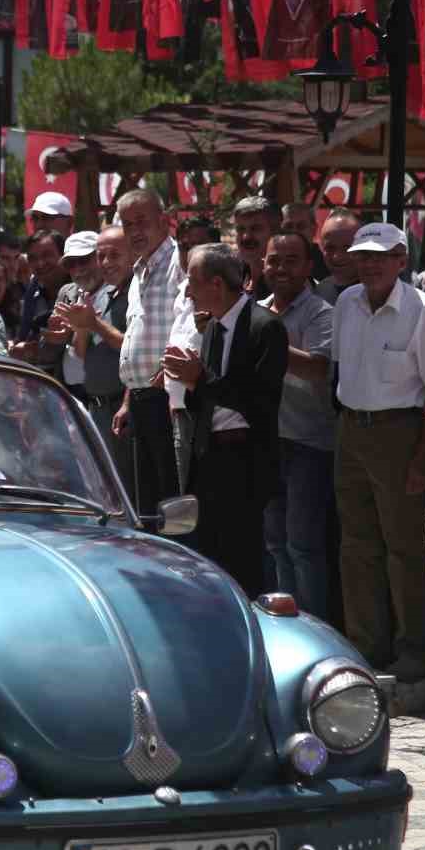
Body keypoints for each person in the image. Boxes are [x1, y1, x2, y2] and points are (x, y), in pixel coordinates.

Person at [331, 221, 425, 684]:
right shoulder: (346, 303)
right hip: (351, 428)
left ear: (402, 260)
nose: (370, 264)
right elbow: (341, 370)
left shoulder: (423, 310)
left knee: (403, 546)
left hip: (398, 431)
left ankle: (414, 648)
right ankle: (367, 644)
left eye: (380, 256)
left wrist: (424, 458)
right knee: (356, 544)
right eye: (363, 256)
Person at [163, 245, 288, 594]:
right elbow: (207, 393)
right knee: (210, 555)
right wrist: (187, 384)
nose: (188, 291)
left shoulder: (266, 328)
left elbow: (259, 400)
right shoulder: (213, 328)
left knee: (244, 558)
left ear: (216, 284)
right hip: (208, 457)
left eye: (192, 281)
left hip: (245, 462)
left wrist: (198, 378)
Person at [260, 231, 337, 620]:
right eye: (274, 260)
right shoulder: (256, 310)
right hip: (267, 444)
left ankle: (316, 629)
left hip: (308, 443)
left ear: (309, 267)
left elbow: (318, 368)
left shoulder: (321, 313)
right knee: (275, 544)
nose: (281, 268)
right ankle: (286, 627)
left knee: (303, 546)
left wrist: (267, 339)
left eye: (291, 260)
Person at [113, 189, 190, 515]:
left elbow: (192, 322)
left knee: (172, 502)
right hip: (142, 399)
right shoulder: (139, 272)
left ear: (164, 221)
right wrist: (129, 398)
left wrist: (171, 374)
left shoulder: (178, 262)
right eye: (128, 224)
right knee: (147, 503)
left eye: (141, 221)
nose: (134, 231)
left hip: (169, 398)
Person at [66, 225, 135, 489]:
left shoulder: (136, 295)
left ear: (131, 255)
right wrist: (81, 325)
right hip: (96, 409)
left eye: (114, 256)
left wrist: (93, 324)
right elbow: (79, 356)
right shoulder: (101, 296)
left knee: (126, 488)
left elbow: (134, 350)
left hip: (121, 408)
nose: (105, 263)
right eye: (101, 256)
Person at [52, 231, 106, 400]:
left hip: (107, 398)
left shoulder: (120, 293)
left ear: (100, 258)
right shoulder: (67, 293)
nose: (77, 269)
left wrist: (84, 328)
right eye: (70, 264)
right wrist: (58, 336)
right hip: (72, 396)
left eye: (83, 260)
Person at [11, 229, 71, 370]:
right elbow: (25, 338)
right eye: (33, 258)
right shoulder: (32, 295)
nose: (40, 264)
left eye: (47, 255)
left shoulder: (80, 292)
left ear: (63, 256)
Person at [231, 195, 280, 299]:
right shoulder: (232, 275)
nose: (246, 236)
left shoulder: (286, 280)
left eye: (255, 228)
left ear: (275, 231)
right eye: (240, 229)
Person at [315, 208, 362, 304]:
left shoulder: (377, 292)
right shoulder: (320, 291)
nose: (337, 256)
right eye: (330, 248)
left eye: (347, 248)